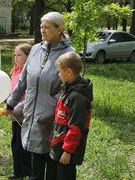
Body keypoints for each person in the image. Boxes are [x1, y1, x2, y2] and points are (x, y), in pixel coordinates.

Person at [3, 12, 74, 180]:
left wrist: (50, 106)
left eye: (47, 27)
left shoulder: (69, 54)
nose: (42, 30)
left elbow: (69, 90)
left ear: (59, 29)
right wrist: (11, 103)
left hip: (53, 118)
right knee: (35, 159)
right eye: (41, 26)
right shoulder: (35, 50)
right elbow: (23, 80)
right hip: (32, 114)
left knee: (50, 161)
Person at [49, 51, 93, 180]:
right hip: (58, 145)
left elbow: (76, 127)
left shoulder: (77, 97)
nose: (58, 74)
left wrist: (68, 151)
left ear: (68, 72)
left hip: (67, 151)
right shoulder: (68, 89)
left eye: (59, 71)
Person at [8, 44, 32, 180]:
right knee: (15, 143)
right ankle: (18, 172)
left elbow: (29, 96)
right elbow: (12, 90)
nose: (16, 58)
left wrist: (16, 109)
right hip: (13, 113)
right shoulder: (15, 71)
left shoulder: (29, 73)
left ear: (28, 57)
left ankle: (28, 171)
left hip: (23, 113)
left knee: (24, 146)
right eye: (15, 55)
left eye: (19, 55)